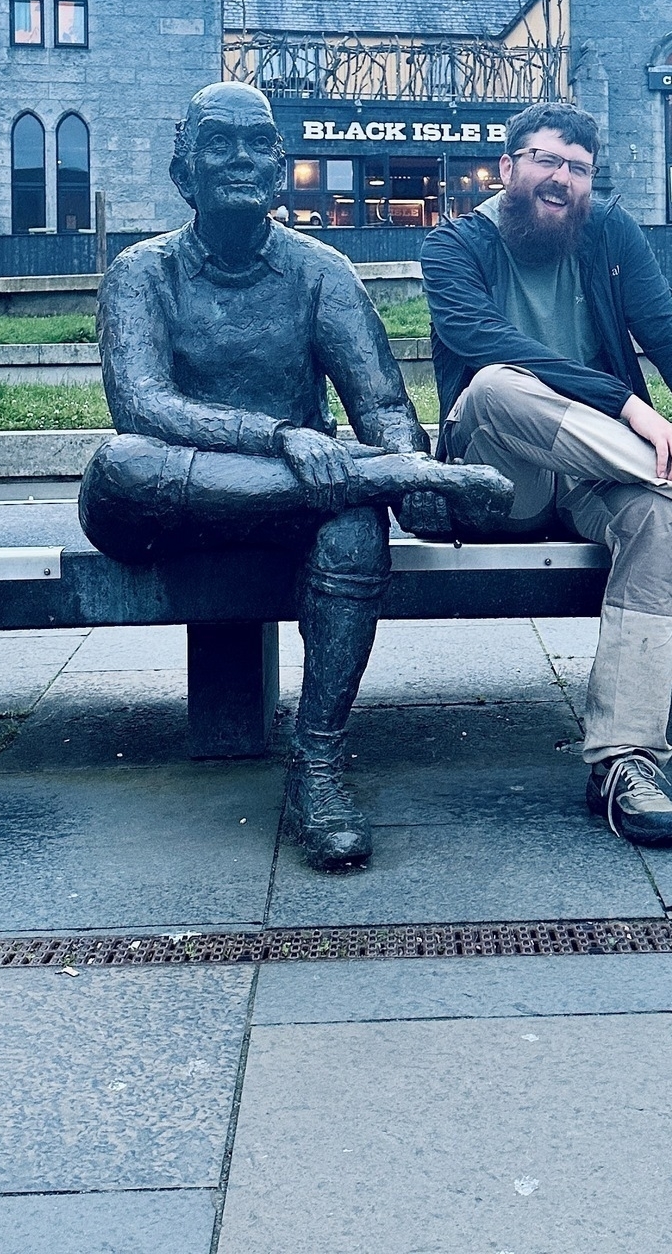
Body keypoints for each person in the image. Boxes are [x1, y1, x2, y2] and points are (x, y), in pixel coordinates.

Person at [77, 83, 513, 871]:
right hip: (166, 500)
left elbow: (379, 402)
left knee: (353, 523)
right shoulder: (141, 272)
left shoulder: (321, 272)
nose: (239, 158)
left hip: (298, 503)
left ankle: (317, 765)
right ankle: (367, 482)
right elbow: (141, 407)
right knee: (116, 463)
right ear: (185, 172)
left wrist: (396, 457)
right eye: (219, 143)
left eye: (257, 144)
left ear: (280, 170)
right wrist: (282, 438)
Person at [422, 101, 672, 849]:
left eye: (577, 168)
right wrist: (637, 414)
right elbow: (477, 340)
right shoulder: (454, 246)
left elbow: (669, 335)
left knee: (655, 520)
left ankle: (624, 762)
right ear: (508, 167)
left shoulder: (607, 234)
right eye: (545, 160)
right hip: (497, 474)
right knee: (497, 382)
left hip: (592, 474)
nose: (561, 179)